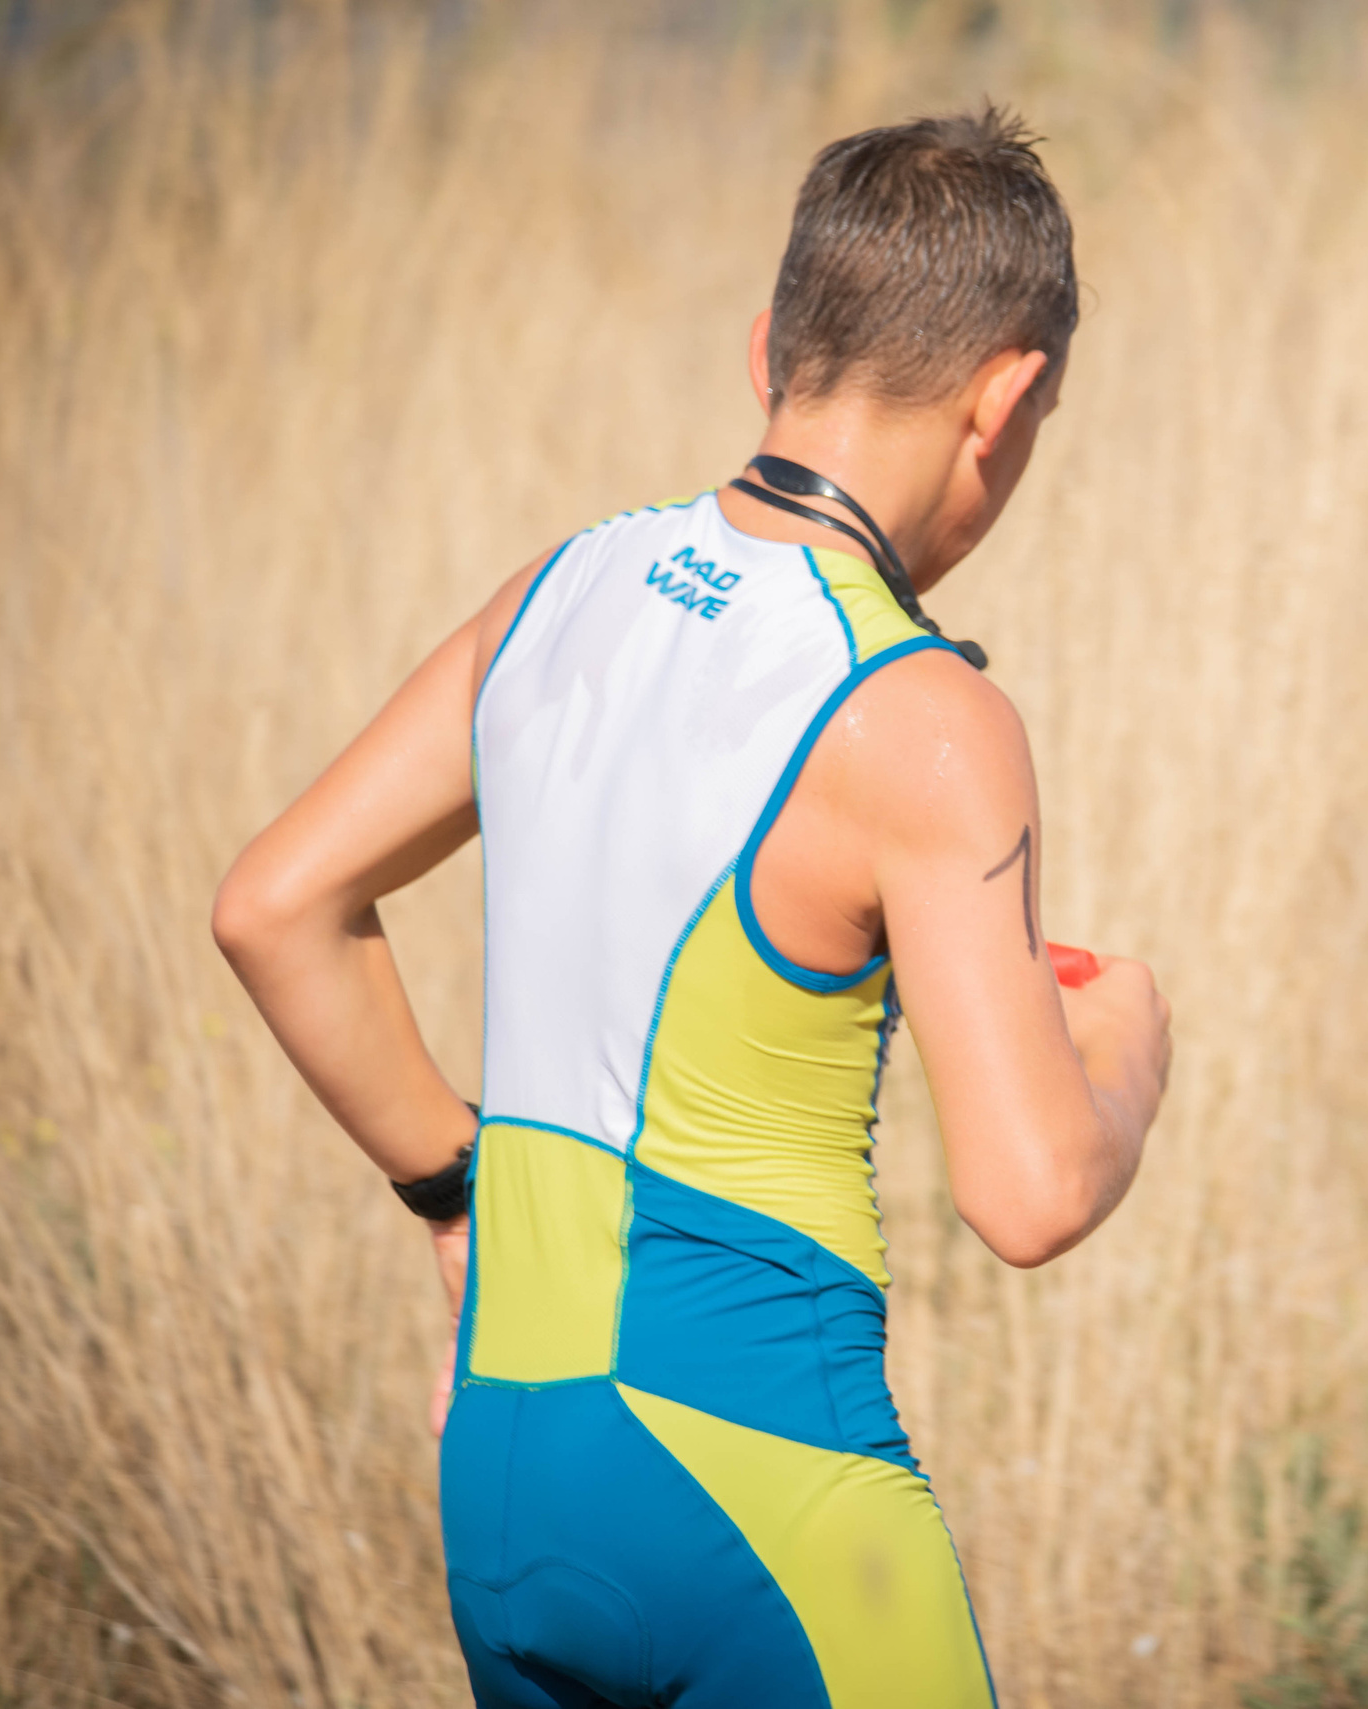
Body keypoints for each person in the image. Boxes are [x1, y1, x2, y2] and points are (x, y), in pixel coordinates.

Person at [214, 108, 1173, 1708]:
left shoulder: (557, 591)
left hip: (506, 1486)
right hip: (763, 1503)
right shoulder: (917, 709)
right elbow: (1031, 1193)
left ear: (766, 356)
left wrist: (456, 1197)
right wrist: (1128, 1043)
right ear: (1006, 399)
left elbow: (274, 903)